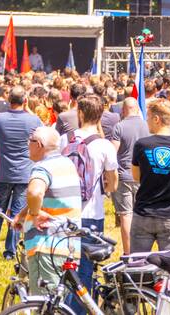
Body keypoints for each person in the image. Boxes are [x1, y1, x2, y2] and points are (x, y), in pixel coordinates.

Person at [62, 95, 118, 309]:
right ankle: (84, 308)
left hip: (65, 211)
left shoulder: (64, 139)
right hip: (92, 212)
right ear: (100, 116)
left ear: (80, 114)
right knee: (87, 267)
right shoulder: (104, 145)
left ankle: (65, 306)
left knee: (66, 264)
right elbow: (113, 183)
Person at [15, 125, 82, 296]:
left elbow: (35, 192)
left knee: (45, 303)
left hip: (47, 246)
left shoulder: (42, 168)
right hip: (69, 244)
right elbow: (47, 196)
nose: (27, 145)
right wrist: (24, 214)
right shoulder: (66, 163)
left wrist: (35, 215)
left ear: (38, 144)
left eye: (29, 142)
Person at [131, 98, 170, 252]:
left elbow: (136, 176)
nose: (147, 122)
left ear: (156, 119)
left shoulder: (142, 145)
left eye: (148, 118)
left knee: (137, 266)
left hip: (144, 213)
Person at [0, 86, 42, 260]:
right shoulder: (34, 120)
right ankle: (10, 251)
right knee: (17, 214)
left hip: (2, 172)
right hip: (24, 173)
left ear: (9, 100)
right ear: (24, 101)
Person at [110, 97, 149, 252]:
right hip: (143, 175)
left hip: (124, 175)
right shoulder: (147, 125)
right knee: (141, 214)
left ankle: (128, 253)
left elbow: (113, 152)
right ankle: (142, 251)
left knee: (126, 215)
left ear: (123, 110)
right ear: (138, 109)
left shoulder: (119, 127)